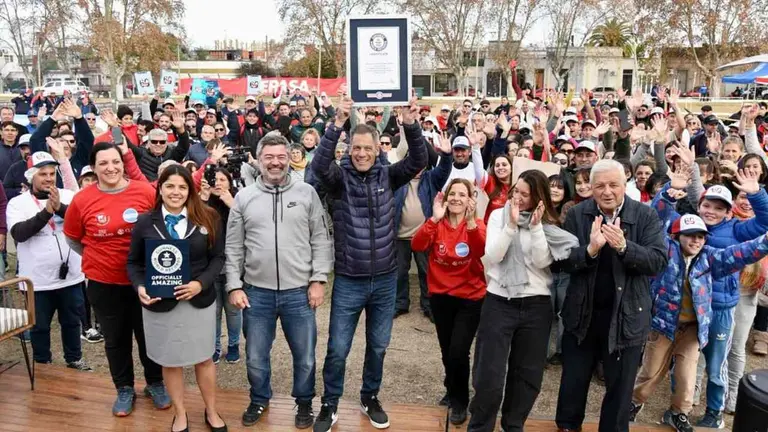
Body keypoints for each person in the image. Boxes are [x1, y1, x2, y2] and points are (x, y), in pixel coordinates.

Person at [311, 97, 427, 432]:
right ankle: (330, 403)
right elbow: (319, 166)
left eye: (367, 148)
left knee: (378, 346)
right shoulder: (338, 180)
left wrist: (410, 124)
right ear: (349, 150)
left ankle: (369, 396)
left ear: (378, 150)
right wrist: (337, 123)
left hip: (386, 280)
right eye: (356, 148)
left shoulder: (389, 176)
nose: (361, 153)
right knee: (337, 349)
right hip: (350, 280)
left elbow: (419, 159)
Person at [225, 133, 333, 429]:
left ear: (289, 159)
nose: (275, 162)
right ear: (259, 160)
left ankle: (304, 401)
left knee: (305, 357)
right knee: (255, 357)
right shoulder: (244, 197)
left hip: (298, 292)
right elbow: (233, 246)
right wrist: (234, 285)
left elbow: (321, 238)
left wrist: (318, 279)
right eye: (269, 157)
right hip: (256, 293)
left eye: (281, 157)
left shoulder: (307, 193)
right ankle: (259, 398)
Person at [555, 159, 667, 432]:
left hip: (627, 316)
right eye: (600, 186)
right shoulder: (577, 214)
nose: (607, 192)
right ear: (591, 188)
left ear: (625, 185)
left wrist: (625, 247)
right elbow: (562, 261)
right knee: (573, 380)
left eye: (613, 185)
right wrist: (589, 250)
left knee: (620, 385)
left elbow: (657, 261)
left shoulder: (645, 215)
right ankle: (568, 426)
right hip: (583, 312)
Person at [63, 142, 170, 417]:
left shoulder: (145, 191)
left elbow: (162, 229)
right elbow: (73, 238)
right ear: (93, 168)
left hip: (145, 281)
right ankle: (124, 388)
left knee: (149, 336)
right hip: (104, 283)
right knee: (116, 339)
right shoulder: (82, 199)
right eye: (103, 163)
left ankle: (155, 383)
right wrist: (98, 255)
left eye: (115, 162)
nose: (110, 168)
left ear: (123, 164)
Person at [469, 170, 579, 432]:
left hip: (536, 304)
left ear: (538, 198)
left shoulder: (548, 223)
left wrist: (536, 227)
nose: (517, 197)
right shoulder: (499, 215)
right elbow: (493, 255)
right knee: (489, 373)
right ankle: (480, 426)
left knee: (527, 374)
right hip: (499, 300)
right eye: (515, 191)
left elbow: (542, 261)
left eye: (524, 194)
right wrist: (511, 226)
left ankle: (513, 424)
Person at [126, 165, 226, 432]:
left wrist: (199, 284)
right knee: (170, 360)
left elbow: (218, 258)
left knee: (204, 358)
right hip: (161, 303)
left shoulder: (209, 216)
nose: (176, 192)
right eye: (169, 186)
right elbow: (133, 263)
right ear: (160, 188)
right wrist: (139, 286)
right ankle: (180, 414)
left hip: (198, 301)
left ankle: (211, 410)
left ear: (190, 190)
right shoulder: (145, 222)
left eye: (182, 187)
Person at [6, 151, 91, 371]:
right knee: (39, 327)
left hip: (71, 276)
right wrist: (46, 213)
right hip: (37, 281)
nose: (49, 178)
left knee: (72, 322)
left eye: (52, 173)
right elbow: (19, 233)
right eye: (43, 174)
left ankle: (74, 359)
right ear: (31, 176)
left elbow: (82, 222)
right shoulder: (17, 203)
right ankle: (43, 363)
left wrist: (59, 208)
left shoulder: (68, 196)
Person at [411, 178, 486, 425]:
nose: (456, 199)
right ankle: (452, 388)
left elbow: (482, 251)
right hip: (441, 297)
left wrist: (472, 222)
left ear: (470, 200)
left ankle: (460, 401)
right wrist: (433, 219)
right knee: (447, 350)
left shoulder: (476, 224)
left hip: (470, 298)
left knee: (458, 350)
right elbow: (417, 245)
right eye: (452, 194)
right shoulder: (437, 224)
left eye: (462, 195)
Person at [393, 133, 454, 320]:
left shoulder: (430, 178)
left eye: (420, 162)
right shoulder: (397, 179)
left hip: (424, 236)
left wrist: (446, 155)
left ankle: (428, 305)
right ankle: (400, 304)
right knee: (399, 273)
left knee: (426, 272)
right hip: (400, 236)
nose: (417, 166)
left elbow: (444, 170)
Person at [199, 167, 241, 365]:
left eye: (223, 179)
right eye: (214, 179)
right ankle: (214, 346)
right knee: (213, 311)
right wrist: (204, 198)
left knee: (233, 310)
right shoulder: (203, 202)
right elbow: (193, 224)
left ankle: (233, 345)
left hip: (232, 265)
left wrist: (232, 204)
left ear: (230, 183)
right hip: (209, 265)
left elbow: (250, 225)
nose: (218, 183)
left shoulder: (238, 201)